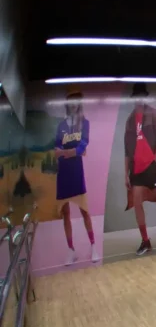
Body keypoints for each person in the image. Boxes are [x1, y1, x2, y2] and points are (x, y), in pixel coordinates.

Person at [123, 82, 156, 256]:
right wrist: (126, 174)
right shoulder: (130, 120)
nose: (138, 99)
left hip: (151, 166)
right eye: (136, 96)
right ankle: (146, 241)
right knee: (137, 203)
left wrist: (154, 160)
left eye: (141, 96)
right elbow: (127, 151)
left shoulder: (153, 114)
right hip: (136, 168)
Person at [54, 89, 98, 264]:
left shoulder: (84, 123)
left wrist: (68, 152)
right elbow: (56, 150)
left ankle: (93, 246)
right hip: (63, 173)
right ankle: (71, 250)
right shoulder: (61, 126)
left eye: (76, 100)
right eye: (70, 100)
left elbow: (82, 147)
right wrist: (72, 151)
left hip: (77, 173)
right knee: (66, 213)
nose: (73, 104)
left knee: (84, 210)